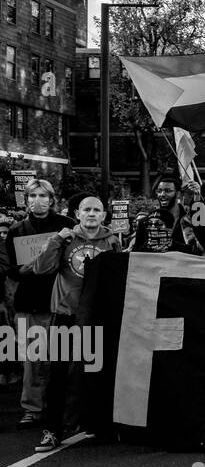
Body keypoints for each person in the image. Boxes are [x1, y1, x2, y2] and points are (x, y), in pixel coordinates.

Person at [32, 193, 122, 451]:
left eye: (97, 209)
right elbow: (41, 269)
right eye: (86, 210)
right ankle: (52, 430)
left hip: (97, 317)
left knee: (96, 372)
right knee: (58, 374)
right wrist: (57, 239)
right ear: (77, 214)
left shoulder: (112, 241)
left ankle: (96, 424)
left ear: (104, 215)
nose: (92, 213)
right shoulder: (66, 239)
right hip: (66, 316)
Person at [5, 180, 74, 428]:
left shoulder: (67, 226)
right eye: (32, 195)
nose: (38, 200)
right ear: (26, 200)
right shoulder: (16, 231)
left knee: (62, 358)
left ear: (51, 199)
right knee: (32, 360)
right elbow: (11, 269)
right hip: (30, 302)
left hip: (60, 300)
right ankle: (32, 408)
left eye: (43, 195)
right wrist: (31, 267)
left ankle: (63, 407)